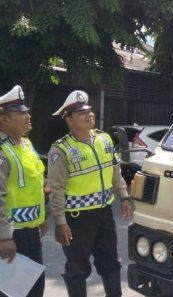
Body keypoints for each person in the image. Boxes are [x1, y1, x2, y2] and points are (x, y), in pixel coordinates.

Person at [47, 90, 131, 297]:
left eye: (89, 110)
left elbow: (115, 170)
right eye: (81, 113)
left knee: (111, 262)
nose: (89, 115)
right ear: (69, 120)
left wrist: (124, 196)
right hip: (77, 219)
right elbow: (56, 188)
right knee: (78, 269)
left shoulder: (104, 140)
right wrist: (59, 221)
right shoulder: (61, 150)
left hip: (103, 214)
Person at [0, 85, 46, 297]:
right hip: (12, 234)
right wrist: (4, 236)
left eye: (26, 111)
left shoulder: (26, 144)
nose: (28, 115)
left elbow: (34, 185)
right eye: (21, 113)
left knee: (35, 288)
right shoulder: (2, 150)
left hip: (31, 231)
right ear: (4, 119)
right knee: (14, 292)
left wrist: (41, 217)